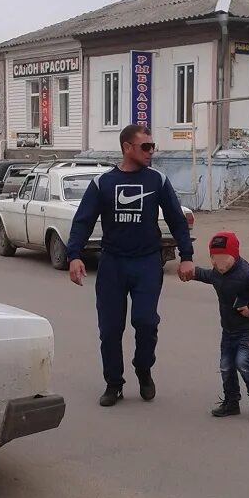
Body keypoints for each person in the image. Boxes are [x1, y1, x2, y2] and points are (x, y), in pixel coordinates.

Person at [66, 124, 195, 407]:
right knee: (110, 329)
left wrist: (187, 256)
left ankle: (143, 368)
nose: (151, 152)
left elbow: (176, 220)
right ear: (127, 148)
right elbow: (83, 221)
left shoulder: (157, 180)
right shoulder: (103, 184)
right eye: (145, 147)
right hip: (112, 264)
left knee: (145, 321)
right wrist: (74, 255)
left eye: (152, 146)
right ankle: (114, 384)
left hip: (147, 262)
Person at [183, 231, 249, 421]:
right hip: (229, 329)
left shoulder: (247, 274)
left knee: (242, 362)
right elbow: (206, 275)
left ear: (234, 255)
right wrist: (191, 273)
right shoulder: (217, 273)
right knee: (226, 366)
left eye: (224, 258)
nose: (219, 264)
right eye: (214, 259)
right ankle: (231, 401)